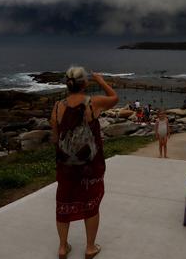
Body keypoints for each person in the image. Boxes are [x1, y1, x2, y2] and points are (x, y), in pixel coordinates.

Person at [50, 66, 118, 259]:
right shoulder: (93, 103)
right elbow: (115, 98)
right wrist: (101, 81)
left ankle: (63, 248)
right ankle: (90, 248)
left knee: (63, 203)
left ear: (67, 83)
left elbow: (55, 138)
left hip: (66, 167)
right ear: (85, 83)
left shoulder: (57, 106)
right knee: (91, 204)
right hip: (90, 166)